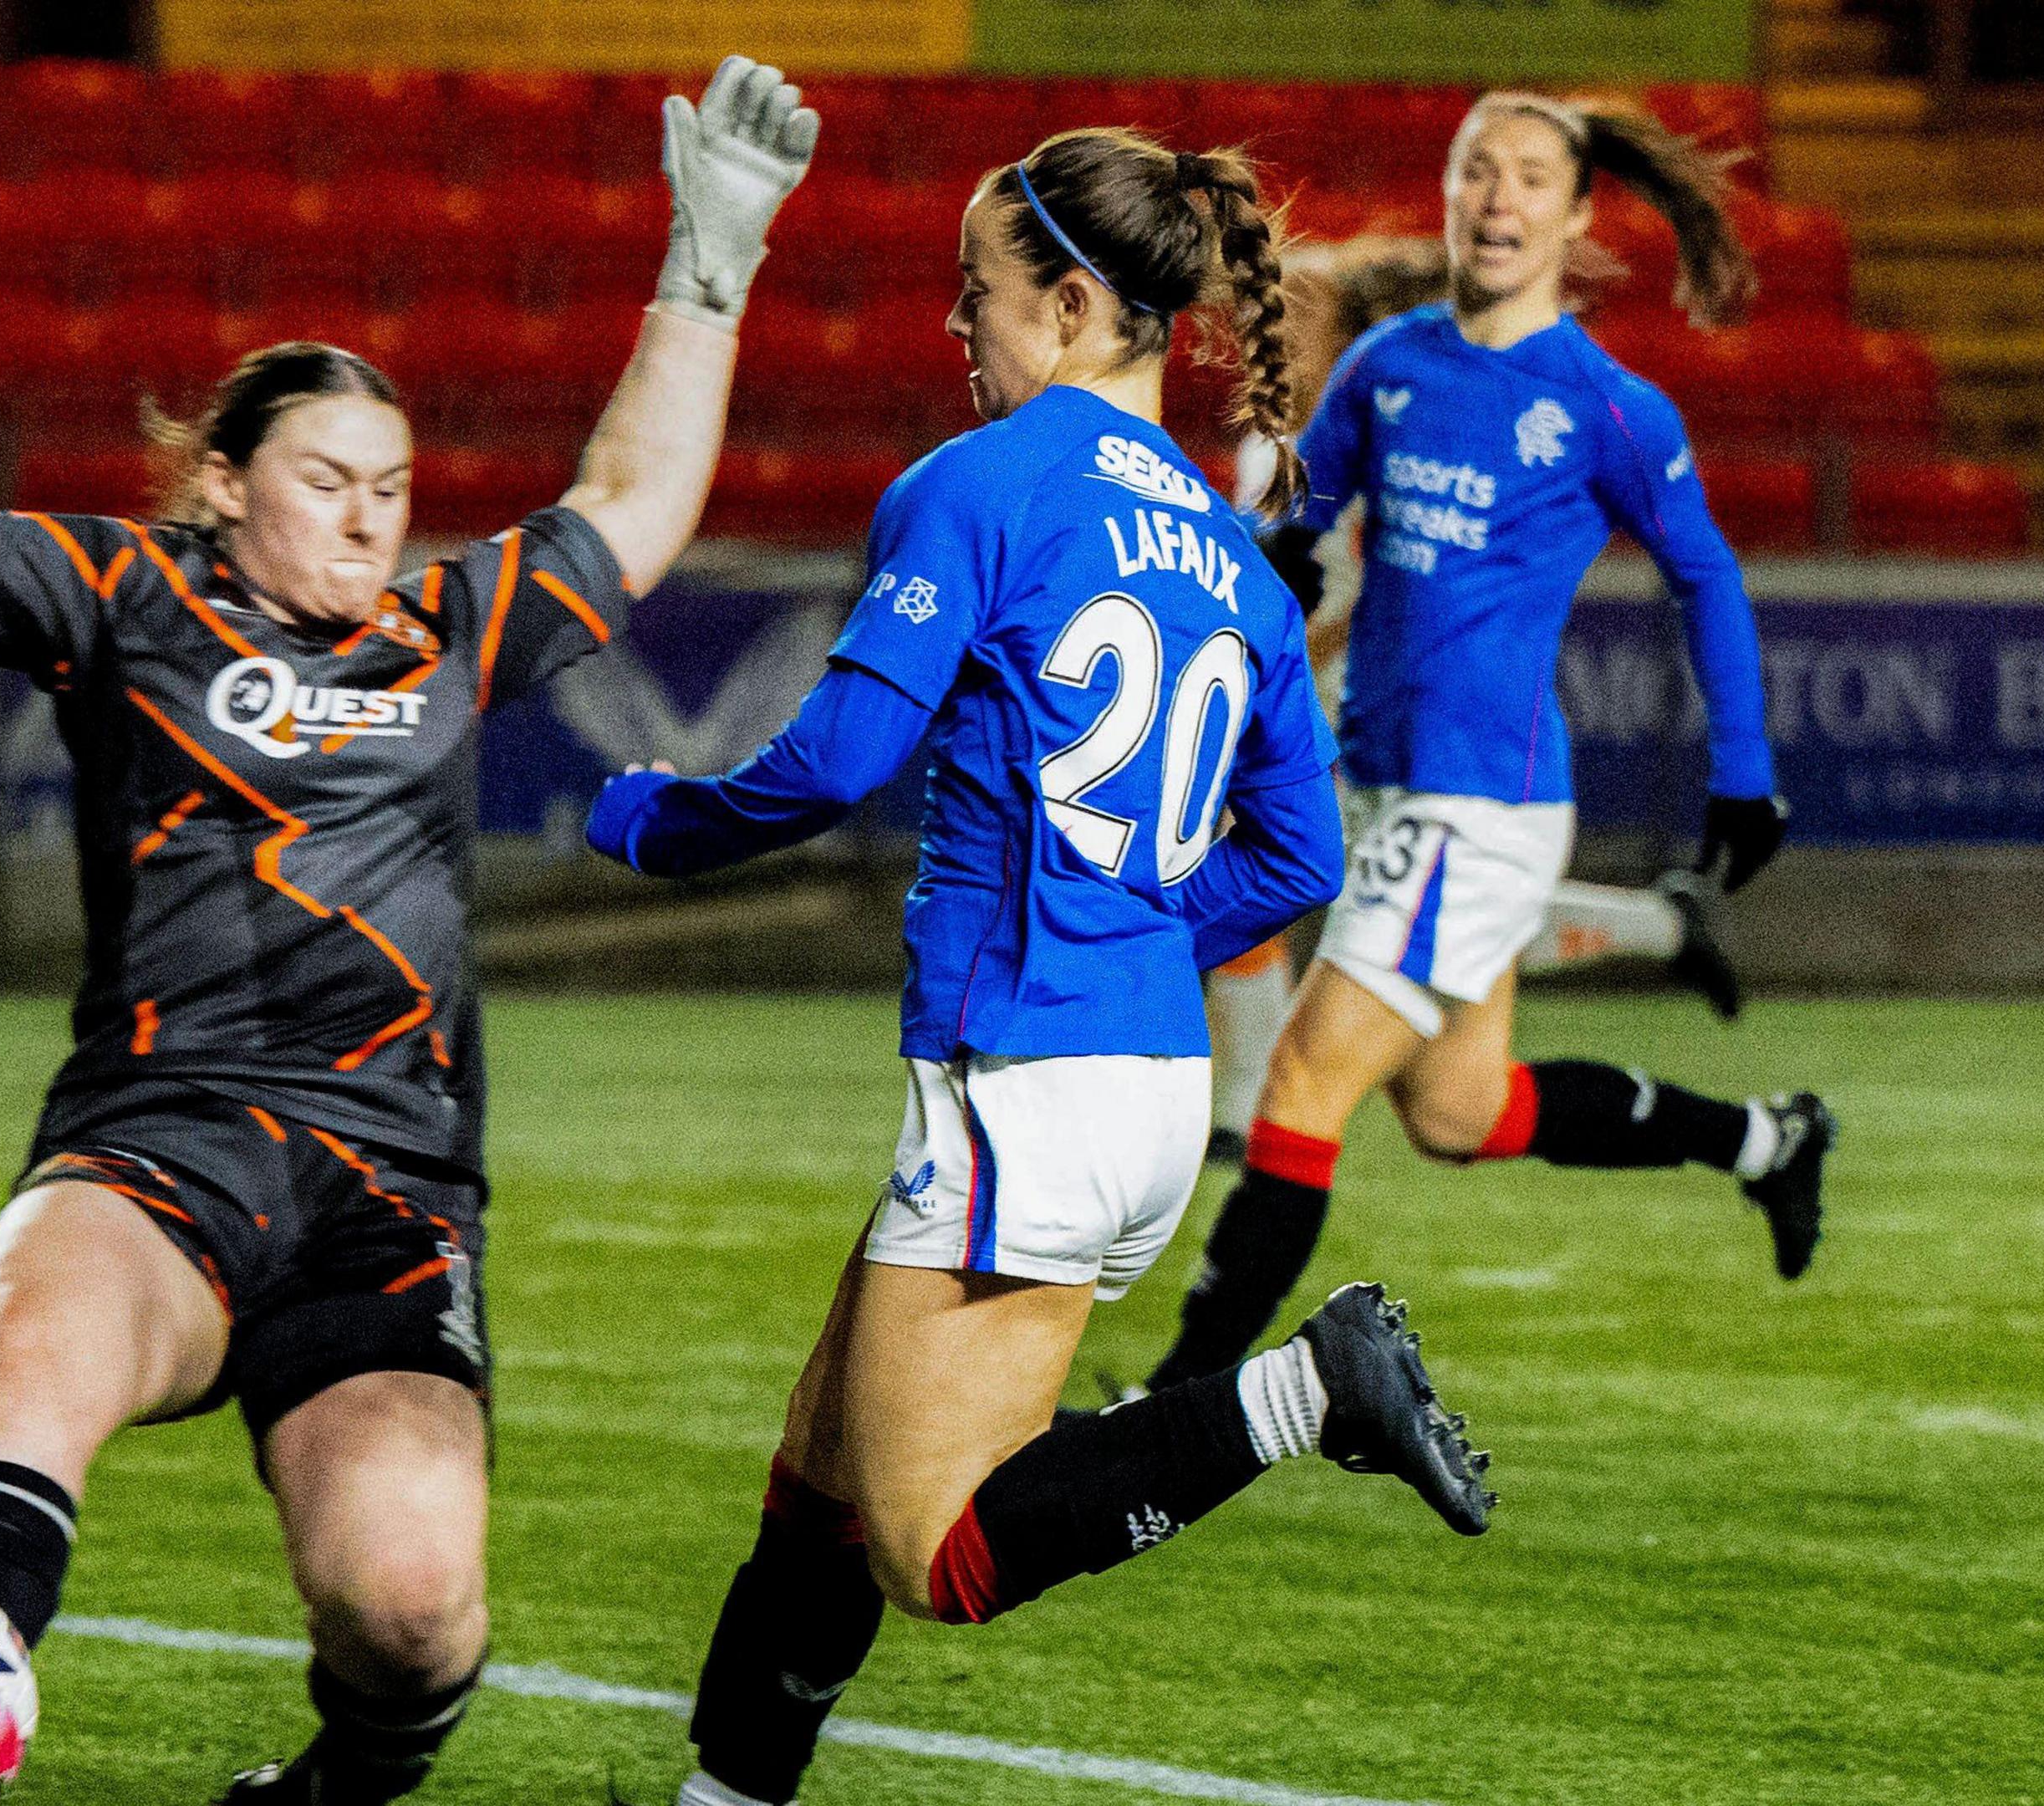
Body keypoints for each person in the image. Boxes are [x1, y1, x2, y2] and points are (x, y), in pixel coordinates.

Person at [0, 55, 821, 1806]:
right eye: (328, 476)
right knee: (40, 1348)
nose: (369, 512)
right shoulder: (122, 595)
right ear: (224, 485)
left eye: (393, 483)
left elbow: (632, 506)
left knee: (412, 1611)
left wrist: (706, 274)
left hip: (390, 1197)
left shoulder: (452, 628)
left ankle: (332, 1790)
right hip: (160, 1148)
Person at [581, 126, 1497, 1806]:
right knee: (822, 1477)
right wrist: (1134, 929)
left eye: (975, 298)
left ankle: (1308, 1388)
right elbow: (1291, 861)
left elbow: (836, 761)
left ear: (1074, 305)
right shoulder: (1237, 562)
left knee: (936, 1553)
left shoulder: (979, 485)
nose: (957, 333)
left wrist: (654, 824)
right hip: (1144, 1079)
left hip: (1032, 1086)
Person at [1144, 93, 1837, 1398]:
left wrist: (1743, 772)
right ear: (1453, 195)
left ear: (1576, 217)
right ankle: (1768, 1140)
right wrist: (1242, 586)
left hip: (1485, 804)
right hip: (1393, 791)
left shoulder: (1607, 408)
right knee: (1462, 1113)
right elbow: (1303, 538)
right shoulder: (1389, 366)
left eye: (1530, 179)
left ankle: (1170, 1398)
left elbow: (1707, 579)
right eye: (1479, 173)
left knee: (1299, 1078)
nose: (1500, 199)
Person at [1201, 227, 1743, 1166]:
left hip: (1365, 721)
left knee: (1347, 898)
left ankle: (1247, 1108)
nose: (1273, 331)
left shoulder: (1379, 429)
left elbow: (1371, 592)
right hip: (1321, 719)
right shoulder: (1285, 442)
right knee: (1425, 927)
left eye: (1299, 317)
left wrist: (1267, 663)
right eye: (1272, 314)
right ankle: (1663, 922)